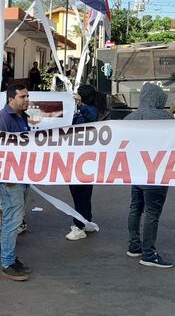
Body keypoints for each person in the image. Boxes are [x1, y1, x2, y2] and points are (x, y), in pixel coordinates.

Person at [125, 83, 175, 268]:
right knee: (152, 213)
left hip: (136, 171)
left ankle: (134, 246)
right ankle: (148, 254)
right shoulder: (166, 117)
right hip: (157, 171)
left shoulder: (129, 118)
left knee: (135, 208)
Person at [0, 83, 33, 281]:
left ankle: (12, 259)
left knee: (15, 219)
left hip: (20, 176)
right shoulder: (1, 120)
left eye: (27, 96)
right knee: (11, 220)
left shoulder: (22, 117)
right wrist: (7, 178)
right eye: (22, 97)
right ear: (11, 100)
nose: (26, 100)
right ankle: (7, 263)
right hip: (9, 179)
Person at [65, 84, 100, 241]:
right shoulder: (88, 110)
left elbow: (78, 126)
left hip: (80, 158)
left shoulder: (86, 112)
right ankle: (86, 220)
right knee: (83, 193)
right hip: (84, 158)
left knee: (79, 193)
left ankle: (79, 225)